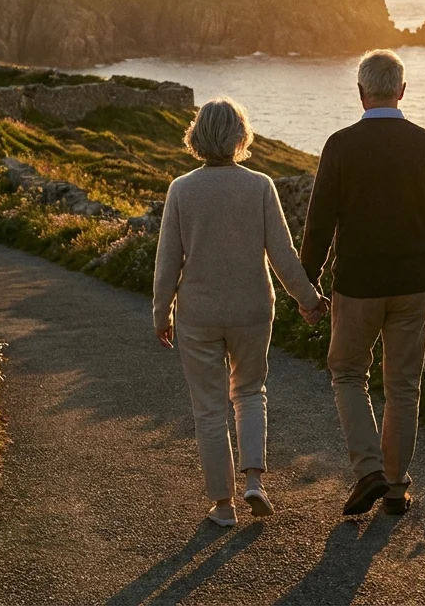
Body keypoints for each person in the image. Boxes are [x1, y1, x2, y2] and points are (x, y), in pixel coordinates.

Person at [300, 49, 425, 517]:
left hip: (355, 285)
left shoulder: (340, 145)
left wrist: (306, 287)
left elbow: (318, 225)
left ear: (360, 93)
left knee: (349, 373)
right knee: (403, 386)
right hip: (414, 284)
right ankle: (395, 489)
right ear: (401, 90)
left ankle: (369, 469)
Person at [153, 97, 329, 527]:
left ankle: (223, 505)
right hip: (252, 308)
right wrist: (308, 300)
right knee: (249, 393)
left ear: (197, 136)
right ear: (239, 137)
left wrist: (162, 314)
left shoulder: (181, 189)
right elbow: (283, 255)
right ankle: (254, 481)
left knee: (209, 408)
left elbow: (167, 262)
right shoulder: (260, 186)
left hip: (199, 313)